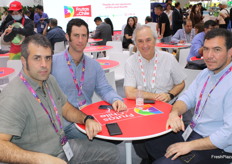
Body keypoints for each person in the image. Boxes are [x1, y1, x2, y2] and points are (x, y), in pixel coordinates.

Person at [0, 34, 119, 164]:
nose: (44, 65)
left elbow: (66, 108)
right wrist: (39, 159)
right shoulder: (14, 96)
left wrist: (86, 119)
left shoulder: (49, 80)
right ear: (24, 61)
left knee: (112, 153)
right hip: (38, 159)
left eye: (48, 58)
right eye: (37, 58)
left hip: (62, 148)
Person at [144, 28, 232, 164]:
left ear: (230, 52)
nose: (209, 55)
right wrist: (174, 113)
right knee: (149, 137)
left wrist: (189, 145)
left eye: (217, 50)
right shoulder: (205, 73)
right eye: (206, 49)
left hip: (219, 150)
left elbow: (227, 135)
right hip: (192, 132)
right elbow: (186, 98)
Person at [52, 18, 127, 139]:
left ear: (88, 37)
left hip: (88, 116)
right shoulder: (53, 62)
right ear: (67, 36)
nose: (80, 40)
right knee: (106, 137)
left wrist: (115, 99)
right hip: (64, 121)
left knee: (117, 132)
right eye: (76, 35)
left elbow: (105, 88)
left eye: (83, 36)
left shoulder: (94, 65)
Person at [124, 24, 186, 163]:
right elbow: (129, 92)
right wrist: (155, 97)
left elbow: (181, 83)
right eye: (140, 41)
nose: (144, 45)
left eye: (148, 40)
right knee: (142, 149)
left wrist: (169, 95)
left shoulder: (169, 59)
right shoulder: (130, 62)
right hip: (140, 110)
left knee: (160, 148)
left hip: (167, 109)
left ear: (155, 39)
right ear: (135, 43)